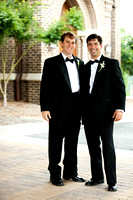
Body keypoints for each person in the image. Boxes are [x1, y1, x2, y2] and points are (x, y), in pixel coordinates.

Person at [80, 34, 126, 191]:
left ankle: (112, 181)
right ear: (87, 47)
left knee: (108, 147)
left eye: (95, 44)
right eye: (90, 44)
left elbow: (120, 88)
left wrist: (119, 108)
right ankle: (97, 177)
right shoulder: (84, 68)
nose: (92, 47)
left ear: (100, 45)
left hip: (106, 114)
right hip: (88, 115)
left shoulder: (111, 64)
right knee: (93, 147)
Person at [40, 32, 85, 186]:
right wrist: (45, 108)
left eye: (73, 42)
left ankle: (71, 172)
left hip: (75, 110)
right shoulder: (51, 62)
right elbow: (45, 86)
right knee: (56, 143)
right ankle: (54, 174)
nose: (70, 45)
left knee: (72, 144)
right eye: (67, 42)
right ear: (61, 43)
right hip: (57, 110)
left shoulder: (80, 63)